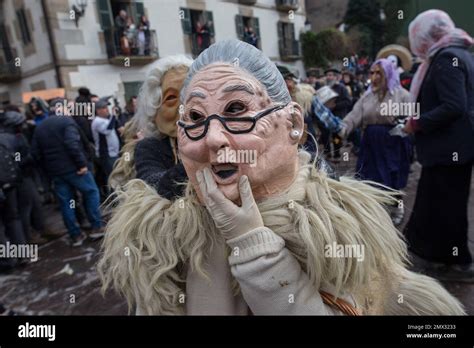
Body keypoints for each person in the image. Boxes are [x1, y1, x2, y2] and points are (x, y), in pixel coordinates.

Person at [99, 39, 464, 316]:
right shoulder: (163, 237)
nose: (212, 137)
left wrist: (254, 246)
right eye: (194, 118)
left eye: (237, 109)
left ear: (292, 123)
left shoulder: (338, 228)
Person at [402, 10, 474, 281]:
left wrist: (417, 124)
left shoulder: (447, 57)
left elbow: (454, 106)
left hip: (449, 150)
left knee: (446, 208)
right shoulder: (460, 53)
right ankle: (429, 254)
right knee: (436, 204)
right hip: (453, 149)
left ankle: (457, 263)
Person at [314, 59, 412, 225]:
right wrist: (341, 127)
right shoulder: (367, 97)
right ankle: (376, 210)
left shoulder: (402, 95)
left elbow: (412, 117)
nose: (374, 76)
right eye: (372, 72)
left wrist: (405, 128)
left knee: (391, 176)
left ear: (387, 74)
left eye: (378, 73)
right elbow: (353, 116)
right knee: (371, 176)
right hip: (372, 142)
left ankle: (397, 207)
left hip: (393, 141)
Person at [109, 55, 193, 200]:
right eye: (171, 98)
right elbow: (153, 182)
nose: (184, 106)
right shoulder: (150, 147)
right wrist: (201, 164)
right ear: (154, 112)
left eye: (192, 94)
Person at [31, 99, 104, 246]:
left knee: (67, 202)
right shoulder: (66, 122)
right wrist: (81, 164)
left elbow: (35, 153)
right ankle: (97, 227)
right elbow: (72, 144)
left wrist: (49, 170)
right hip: (75, 169)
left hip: (57, 173)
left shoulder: (40, 127)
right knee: (91, 193)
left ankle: (75, 235)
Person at [0, 111, 28, 270]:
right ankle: (23, 254)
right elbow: (19, 159)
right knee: (13, 218)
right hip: (9, 185)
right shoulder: (9, 138)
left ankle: (6, 261)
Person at [91, 98, 122, 182]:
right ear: (98, 110)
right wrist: (113, 115)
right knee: (113, 178)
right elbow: (107, 130)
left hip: (113, 153)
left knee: (116, 177)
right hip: (106, 154)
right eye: (104, 108)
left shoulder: (105, 119)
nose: (107, 110)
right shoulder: (97, 121)